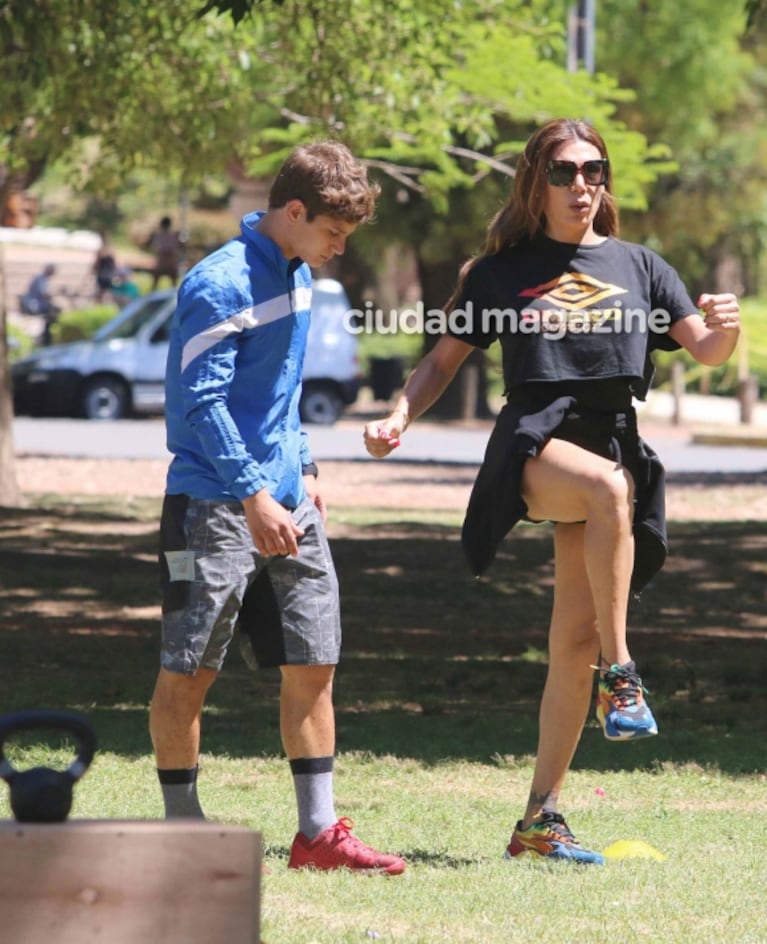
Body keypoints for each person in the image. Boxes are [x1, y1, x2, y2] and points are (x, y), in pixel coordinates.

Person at [364, 118, 740, 865]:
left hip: (611, 441)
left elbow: (704, 348)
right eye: (565, 173)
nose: (582, 186)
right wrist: (399, 412)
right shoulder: (499, 272)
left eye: (593, 170)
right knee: (605, 490)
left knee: (572, 644)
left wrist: (728, 332)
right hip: (535, 443)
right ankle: (624, 675)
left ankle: (539, 820)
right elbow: (441, 362)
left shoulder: (641, 265)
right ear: (536, 182)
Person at [149, 140, 406, 875]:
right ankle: (181, 831)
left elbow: (278, 393)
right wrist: (253, 492)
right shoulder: (219, 283)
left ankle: (318, 835)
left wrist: (305, 466)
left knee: (312, 658)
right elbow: (202, 402)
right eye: (332, 232)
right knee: (189, 669)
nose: (338, 247)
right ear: (294, 211)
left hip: (290, 498)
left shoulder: (295, 275)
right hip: (214, 501)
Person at [20, 263, 62, 345]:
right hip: (34, 305)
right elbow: (44, 295)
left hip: (36, 304)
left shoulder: (43, 279)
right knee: (55, 311)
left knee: (54, 310)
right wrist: (56, 293)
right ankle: (47, 337)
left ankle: (47, 335)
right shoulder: (40, 279)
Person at [147, 215, 183, 290]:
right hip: (170, 262)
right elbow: (180, 246)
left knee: (155, 285)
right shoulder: (174, 235)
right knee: (173, 286)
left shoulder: (158, 235)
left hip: (162, 262)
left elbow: (149, 244)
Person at [93, 233, 117, 301]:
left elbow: (97, 264)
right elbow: (114, 264)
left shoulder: (100, 251)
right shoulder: (111, 250)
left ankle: (100, 304)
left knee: (100, 292)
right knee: (107, 292)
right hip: (109, 274)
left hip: (102, 274)